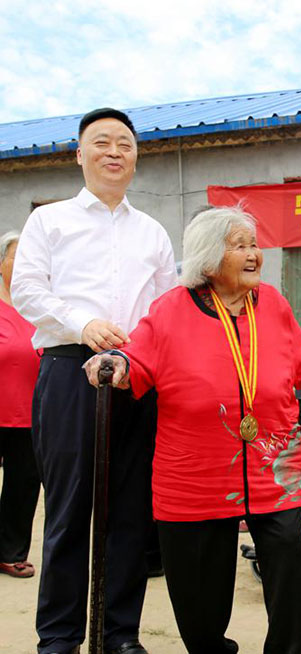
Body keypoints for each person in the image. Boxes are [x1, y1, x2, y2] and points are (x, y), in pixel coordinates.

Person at [84, 206, 301, 654]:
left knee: (286, 575)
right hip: (195, 473)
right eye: (239, 245)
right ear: (208, 259)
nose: (253, 254)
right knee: (199, 602)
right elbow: (139, 357)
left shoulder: (274, 304)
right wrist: (117, 364)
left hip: (272, 462)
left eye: (254, 244)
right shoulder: (171, 309)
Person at [11, 108, 178, 654]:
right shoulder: (50, 220)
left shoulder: (152, 231)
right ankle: (58, 637)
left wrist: (140, 352)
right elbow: (29, 291)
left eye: (124, 144)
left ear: (136, 157)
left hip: (135, 378)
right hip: (66, 371)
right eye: (101, 143)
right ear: (79, 154)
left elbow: (165, 306)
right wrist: (84, 326)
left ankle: (119, 634)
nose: (114, 152)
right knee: (67, 510)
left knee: (130, 512)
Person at [0, 230, 40, 579]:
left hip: (30, 416)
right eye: (17, 254)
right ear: (2, 264)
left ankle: (11, 551)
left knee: (23, 487)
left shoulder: (40, 306)